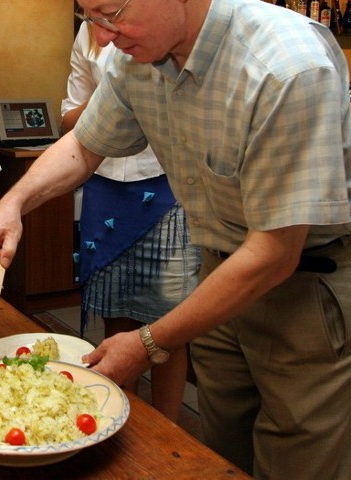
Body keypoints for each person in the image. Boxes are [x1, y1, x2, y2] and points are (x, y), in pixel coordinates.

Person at [0, 0, 351, 480]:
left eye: (110, 14)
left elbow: (274, 254)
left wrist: (147, 342)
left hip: (309, 288)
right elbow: (85, 146)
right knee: (220, 451)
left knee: (299, 461)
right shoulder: (136, 56)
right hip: (218, 271)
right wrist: (14, 203)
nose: (104, 36)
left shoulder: (285, 68)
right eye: (92, 18)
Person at [62, 21, 200, 422]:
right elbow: (69, 115)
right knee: (117, 315)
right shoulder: (88, 33)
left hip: (166, 186)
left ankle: (168, 429)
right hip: (105, 188)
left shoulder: (161, 27)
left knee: (168, 321)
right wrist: (110, 101)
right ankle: (127, 423)